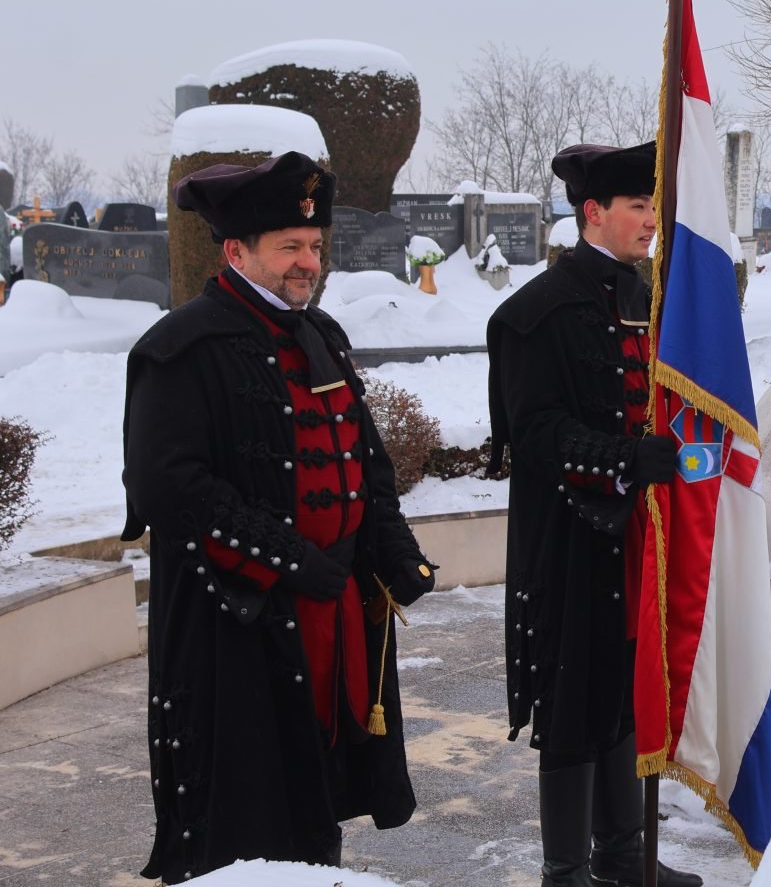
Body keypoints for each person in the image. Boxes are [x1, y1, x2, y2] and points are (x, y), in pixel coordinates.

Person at [122, 151, 437, 883]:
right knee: (247, 809)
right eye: (289, 247)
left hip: (330, 622)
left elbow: (366, 461)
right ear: (236, 251)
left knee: (320, 792)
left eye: (315, 247)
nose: (307, 262)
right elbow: (170, 487)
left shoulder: (320, 334)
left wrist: (393, 553)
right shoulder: (181, 347)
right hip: (237, 625)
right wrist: (291, 560)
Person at [487, 141, 701, 887]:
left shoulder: (651, 302)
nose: (650, 220)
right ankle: (567, 872)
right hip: (571, 539)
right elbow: (534, 432)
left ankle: (622, 856)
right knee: (574, 707)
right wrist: (620, 459)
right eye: (637, 206)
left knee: (627, 691)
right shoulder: (535, 312)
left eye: (653, 206)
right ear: (593, 213)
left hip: (640, 533)